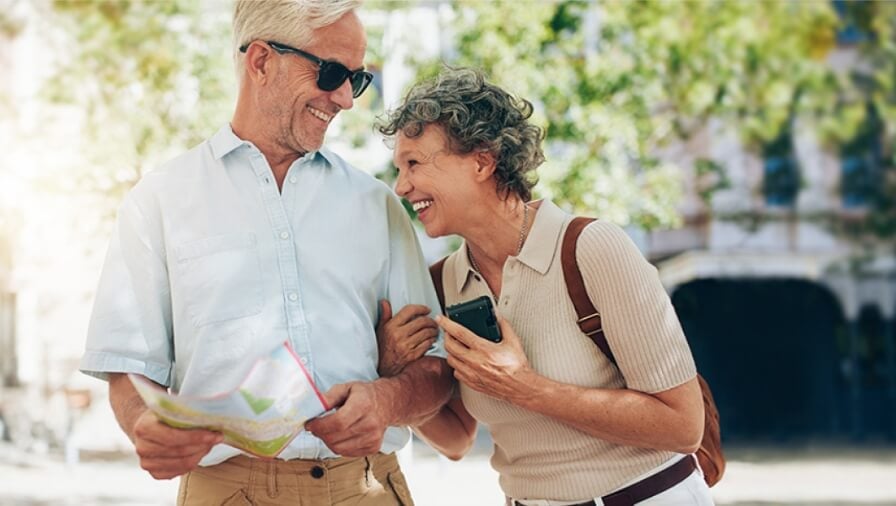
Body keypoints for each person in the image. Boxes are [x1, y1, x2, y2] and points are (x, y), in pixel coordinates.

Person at [79, 1, 451, 505]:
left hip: (367, 488)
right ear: (260, 61)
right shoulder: (160, 200)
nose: (345, 98)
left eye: (356, 80)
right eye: (332, 73)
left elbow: (436, 370)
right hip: (227, 491)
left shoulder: (376, 204)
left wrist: (388, 400)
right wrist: (147, 425)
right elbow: (128, 370)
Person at [375, 68, 715, 506]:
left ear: (482, 160)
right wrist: (391, 371)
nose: (402, 186)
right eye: (400, 168)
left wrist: (527, 388)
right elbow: (457, 439)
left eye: (415, 163)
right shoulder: (443, 284)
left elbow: (684, 425)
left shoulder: (591, 248)